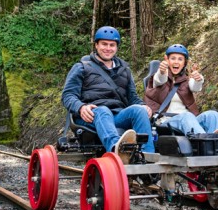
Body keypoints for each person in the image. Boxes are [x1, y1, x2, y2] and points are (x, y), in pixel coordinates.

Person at [61, 26, 154, 161]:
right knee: (103, 110)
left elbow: (132, 97)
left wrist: (142, 105)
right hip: (91, 115)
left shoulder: (124, 70)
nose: (108, 48)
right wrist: (81, 107)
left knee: (139, 110)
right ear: (96, 45)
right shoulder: (81, 67)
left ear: (116, 48)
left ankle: (148, 158)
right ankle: (117, 149)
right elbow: (67, 95)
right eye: (104, 44)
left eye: (112, 45)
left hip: (117, 115)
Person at [145, 44, 218, 135]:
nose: (176, 62)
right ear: (167, 59)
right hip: (166, 123)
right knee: (186, 116)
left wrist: (198, 79)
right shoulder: (158, 77)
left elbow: (195, 87)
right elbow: (159, 79)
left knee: (213, 115)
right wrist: (162, 71)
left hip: (189, 121)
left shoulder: (186, 81)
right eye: (173, 58)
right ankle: (206, 141)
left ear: (184, 63)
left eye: (180, 59)